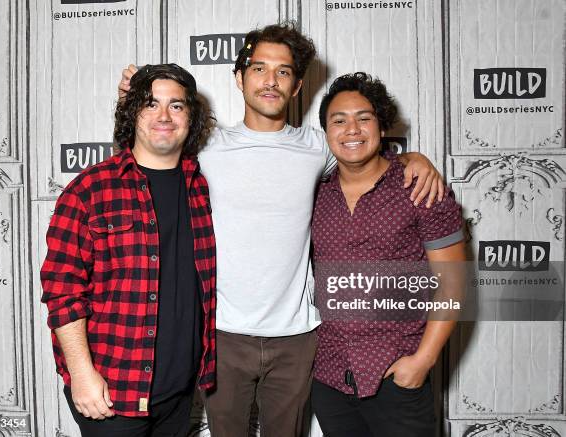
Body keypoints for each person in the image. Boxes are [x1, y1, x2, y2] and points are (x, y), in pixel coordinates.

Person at [119, 23, 444, 437]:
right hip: (222, 334)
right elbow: (150, 150)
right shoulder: (205, 145)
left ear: (296, 86)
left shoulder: (317, 146)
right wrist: (136, 105)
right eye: (259, 69)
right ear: (239, 78)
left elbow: (363, 150)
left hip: (298, 337)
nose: (270, 81)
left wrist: (412, 157)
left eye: (283, 72)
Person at [40, 64, 216, 437]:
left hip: (180, 390)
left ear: (191, 117)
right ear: (131, 111)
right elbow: (62, 290)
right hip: (112, 392)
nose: (164, 116)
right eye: (150, 104)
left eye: (177, 106)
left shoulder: (203, 186)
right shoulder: (89, 189)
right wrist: (81, 375)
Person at [310, 72, 466, 436]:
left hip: (396, 376)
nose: (352, 129)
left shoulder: (419, 188)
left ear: (381, 126)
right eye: (339, 120)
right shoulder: (315, 194)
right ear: (326, 131)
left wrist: (422, 363)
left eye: (364, 118)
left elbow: (454, 282)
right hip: (329, 377)